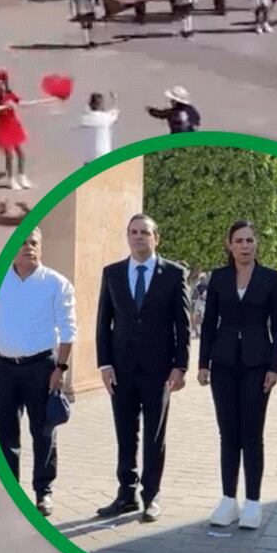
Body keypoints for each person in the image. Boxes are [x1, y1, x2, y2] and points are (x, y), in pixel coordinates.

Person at [94, 214, 192, 523]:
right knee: (125, 434)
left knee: (154, 436)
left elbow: (183, 325)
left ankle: (151, 496)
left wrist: (180, 366)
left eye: (145, 233)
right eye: (134, 232)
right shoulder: (112, 273)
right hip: (121, 369)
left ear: (156, 238)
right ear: (128, 237)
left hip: (159, 370)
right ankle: (126, 494)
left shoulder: (173, 274)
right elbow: (103, 322)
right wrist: (104, 363)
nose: (139, 237)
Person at [197, 221, 277, 531]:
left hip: (257, 364)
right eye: (239, 241)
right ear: (230, 244)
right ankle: (227, 499)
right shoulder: (219, 278)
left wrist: (275, 367)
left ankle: (252, 501)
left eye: (250, 240)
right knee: (228, 433)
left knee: (251, 433)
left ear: (256, 244)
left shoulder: (270, 279)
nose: (245, 246)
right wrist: (203, 363)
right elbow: (209, 322)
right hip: (223, 363)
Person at [0, 229, 76, 516]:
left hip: (42, 368)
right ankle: (9, 493)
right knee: (5, 434)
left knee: (43, 432)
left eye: (34, 243)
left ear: (41, 246)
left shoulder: (56, 284)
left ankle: (43, 492)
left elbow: (69, 329)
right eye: (22, 243)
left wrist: (61, 367)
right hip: (5, 367)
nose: (28, 248)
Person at [0, 70, 31, 191]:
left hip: (13, 125)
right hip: (2, 128)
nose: (1, 85)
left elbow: (18, 101)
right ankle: (11, 179)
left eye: (3, 82)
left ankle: (22, 176)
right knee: (9, 154)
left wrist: (23, 103)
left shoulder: (9, 94)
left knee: (21, 153)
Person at [78, 92, 118, 163]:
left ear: (90, 104)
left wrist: (87, 103)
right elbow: (115, 112)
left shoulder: (85, 118)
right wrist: (115, 99)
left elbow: (85, 111)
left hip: (89, 158)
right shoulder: (106, 118)